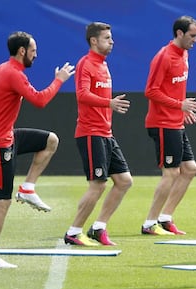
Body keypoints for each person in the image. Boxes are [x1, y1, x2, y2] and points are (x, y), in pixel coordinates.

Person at [0, 31, 75, 268]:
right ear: (22, 51)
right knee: (2, 202)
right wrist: (58, 80)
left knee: (51, 141)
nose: (36, 54)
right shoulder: (13, 73)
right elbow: (40, 100)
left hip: (5, 136)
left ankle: (27, 187)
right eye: (33, 50)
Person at [63, 22, 132, 247]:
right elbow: (82, 95)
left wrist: (108, 107)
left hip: (105, 133)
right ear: (94, 40)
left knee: (124, 181)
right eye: (107, 38)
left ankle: (98, 227)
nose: (112, 41)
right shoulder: (86, 63)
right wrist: (109, 103)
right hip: (90, 132)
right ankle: (74, 231)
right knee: (98, 184)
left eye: (111, 38)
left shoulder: (104, 65)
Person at [141, 16, 196, 235]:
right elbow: (151, 91)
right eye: (192, 36)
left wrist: (182, 110)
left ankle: (165, 218)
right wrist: (179, 104)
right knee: (171, 173)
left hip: (175, 121)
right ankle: (150, 223)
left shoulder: (184, 54)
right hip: (162, 123)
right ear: (179, 33)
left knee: (190, 169)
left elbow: (175, 87)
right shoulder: (164, 56)